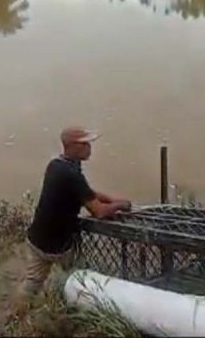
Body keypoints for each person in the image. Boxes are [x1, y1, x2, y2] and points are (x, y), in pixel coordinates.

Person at [19, 126, 131, 300]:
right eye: (85, 144)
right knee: (79, 276)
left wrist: (110, 198)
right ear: (73, 146)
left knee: (32, 283)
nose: (90, 148)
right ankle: (73, 305)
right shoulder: (72, 174)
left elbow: (85, 192)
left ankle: (16, 318)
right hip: (58, 245)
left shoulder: (56, 165)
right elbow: (99, 212)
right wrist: (120, 205)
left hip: (36, 239)